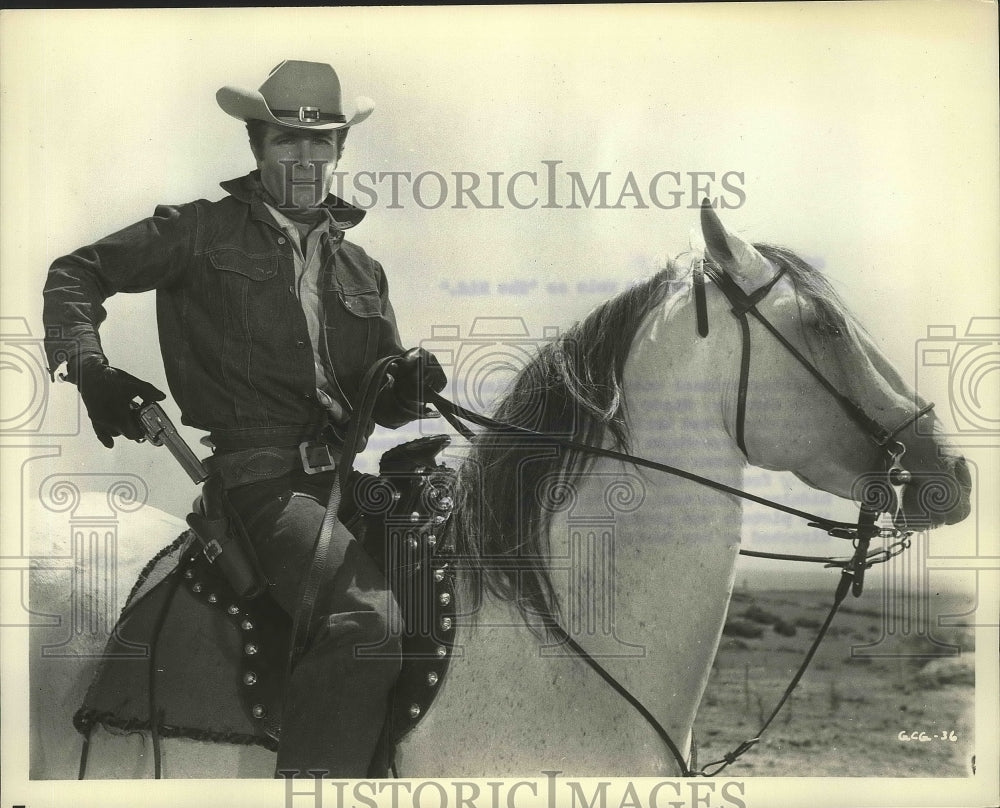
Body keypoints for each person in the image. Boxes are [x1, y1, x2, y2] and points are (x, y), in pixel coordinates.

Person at [42, 60, 446, 778]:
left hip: (341, 477)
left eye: (319, 143)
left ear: (339, 153)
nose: (304, 157)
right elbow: (76, 273)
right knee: (363, 626)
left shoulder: (363, 272)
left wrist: (407, 388)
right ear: (258, 146)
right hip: (261, 484)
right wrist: (89, 367)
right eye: (286, 140)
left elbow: (374, 404)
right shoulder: (199, 233)